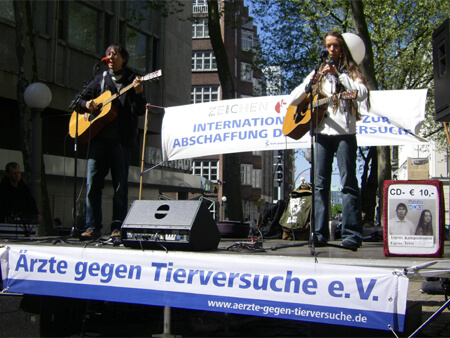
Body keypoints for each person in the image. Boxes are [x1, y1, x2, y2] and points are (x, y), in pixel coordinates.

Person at [287, 30, 369, 251]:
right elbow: (293, 100)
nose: (332, 49)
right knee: (320, 185)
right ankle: (319, 233)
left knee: (348, 183)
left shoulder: (351, 73)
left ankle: (352, 234)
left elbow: (361, 93)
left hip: (345, 134)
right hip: (321, 134)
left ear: (343, 48)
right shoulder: (318, 73)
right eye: (328, 45)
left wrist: (340, 76)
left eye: (336, 45)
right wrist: (310, 83)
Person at [76, 44, 146, 241]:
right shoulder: (100, 78)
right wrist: (87, 104)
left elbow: (139, 111)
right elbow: (80, 101)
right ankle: (92, 227)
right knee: (92, 185)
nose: (111, 56)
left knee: (119, 186)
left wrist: (139, 92)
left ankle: (117, 227)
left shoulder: (133, 79)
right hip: (97, 140)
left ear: (123, 58)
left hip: (121, 142)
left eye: (115, 54)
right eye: (108, 54)